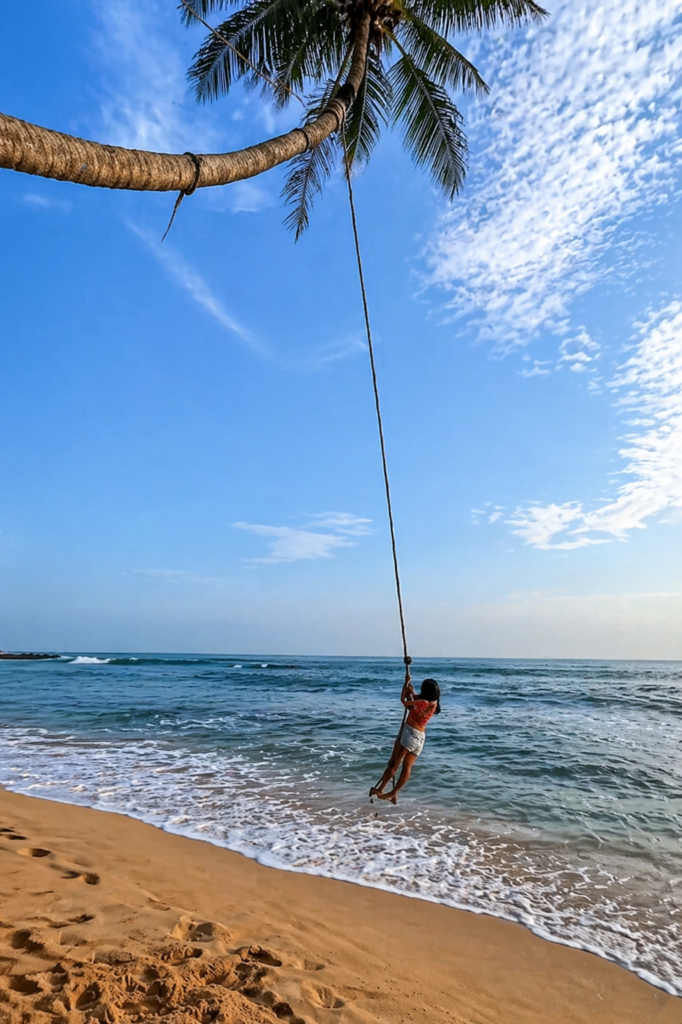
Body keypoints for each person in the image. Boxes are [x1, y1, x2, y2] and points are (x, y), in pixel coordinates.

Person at [370, 669, 441, 804]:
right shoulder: (433, 703)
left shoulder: (422, 702)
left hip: (410, 734)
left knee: (393, 764)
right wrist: (409, 688)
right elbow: (412, 702)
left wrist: (406, 684)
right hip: (420, 738)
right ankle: (393, 793)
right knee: (406, 767)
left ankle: (382, 790)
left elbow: (404, 701)